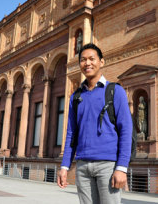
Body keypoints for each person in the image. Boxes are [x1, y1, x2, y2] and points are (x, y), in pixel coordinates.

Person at [57, 43, 132, 204]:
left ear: (101, 62)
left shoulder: (114, 91)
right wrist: (65, 166)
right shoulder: (75, 97)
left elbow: (125, 130)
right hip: (82, 166)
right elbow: (72, 133)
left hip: (108, 165)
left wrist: (122, 167)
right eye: (83, 60)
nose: (87, 63)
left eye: (92, 59)